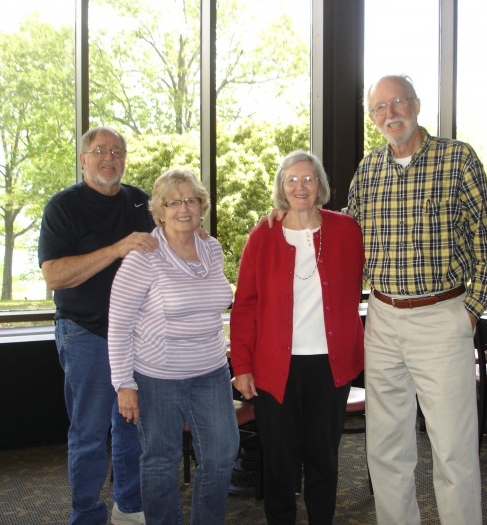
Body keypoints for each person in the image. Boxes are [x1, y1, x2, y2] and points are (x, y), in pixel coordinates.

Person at [350, 75, 487, 524]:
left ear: (416, 104)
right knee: (385, 446)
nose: (390, 113)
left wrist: (468, 314)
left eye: (397, 102)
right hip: (381, 319)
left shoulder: (457, 159)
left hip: (442, 317)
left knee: (452, 448)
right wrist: (290, 210)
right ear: (372, 117)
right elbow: (346, 237)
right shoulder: (369, 169)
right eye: (380, 107)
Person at [230, 150, 365, 525]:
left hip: (330, 366)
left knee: (324, 458)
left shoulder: (346, 230)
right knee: (280, 460)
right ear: (281, 187)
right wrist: (242, 366)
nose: (300, 186)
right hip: (276, 368)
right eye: (291, 180)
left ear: (320, 184)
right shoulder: (264, 234)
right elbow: (244, 306)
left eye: (307, 179)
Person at [38, 126, 155, 525]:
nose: (109, 158)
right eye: (100, 151)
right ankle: (87, 515)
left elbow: (173, 243)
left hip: (136, 336)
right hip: (85, 333)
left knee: (131, 429)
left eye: (117, 151)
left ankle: (130, 508)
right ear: (83, 159)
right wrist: (118, 248)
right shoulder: (63, 207)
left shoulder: (141, 203)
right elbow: (54, 276)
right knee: (89, 434)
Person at [108, 169, 238, 525]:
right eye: (174, 202)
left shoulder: (211, 247)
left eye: (192, 200)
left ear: (202, 207)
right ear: (160, 211)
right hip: (157, 377)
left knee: (222, 454)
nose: (184, 208)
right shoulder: (144, 256)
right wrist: (124, 384)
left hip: (210, 371)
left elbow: (216, 298)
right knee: (161, 461)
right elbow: (118, 324)